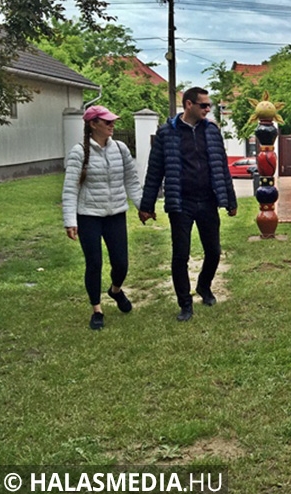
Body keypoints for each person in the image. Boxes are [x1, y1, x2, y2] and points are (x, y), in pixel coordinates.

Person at [139, 87, 238, 322]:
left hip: (208, 201)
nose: (208, 109)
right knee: (180, 255)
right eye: (204, 105)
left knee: (213, 251)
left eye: (209, 105)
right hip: (181, 203)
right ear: (189, 105)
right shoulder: (166, 134)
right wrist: (147, 205)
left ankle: (204, 286)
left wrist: (230, 200)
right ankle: (185, 304)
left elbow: (222, 167)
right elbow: (154, 172)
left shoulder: (212, 132)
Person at [62, 106, 142, 330]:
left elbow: (132, 181)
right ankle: (97, 309)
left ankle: (115, 290)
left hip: (115, 213)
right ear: (93, 124)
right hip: (89, 216)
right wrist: (70, 221)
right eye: (106, 122)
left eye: (112, 121)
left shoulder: (120, 148)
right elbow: (70, 189)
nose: (111, 125)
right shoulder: (79, 152)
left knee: (121, 263)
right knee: (94, 263)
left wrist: (143, 207)